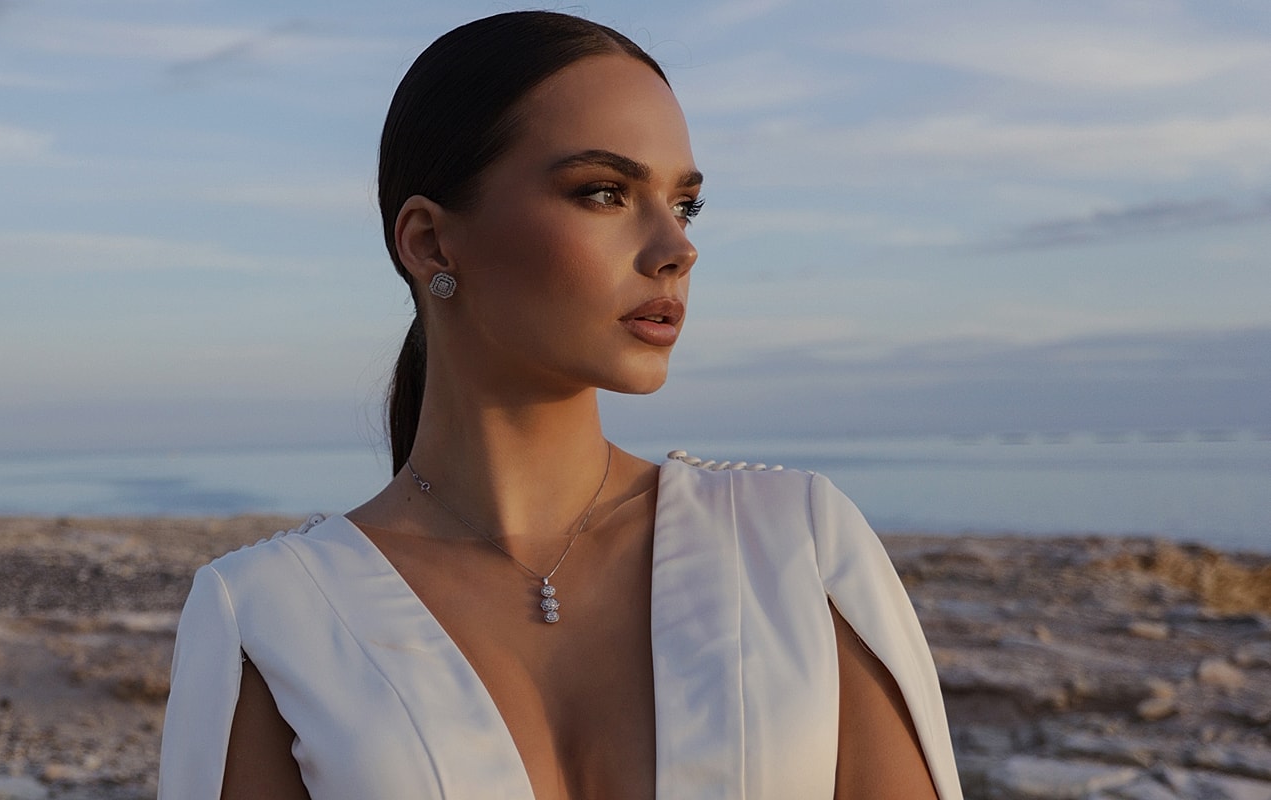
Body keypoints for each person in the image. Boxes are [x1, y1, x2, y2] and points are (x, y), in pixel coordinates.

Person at [159, 10, 961, 800]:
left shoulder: (795, 545)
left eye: (685, 203)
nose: (677, 248)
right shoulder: (269, 617)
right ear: (431, 243)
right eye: (605, 192)